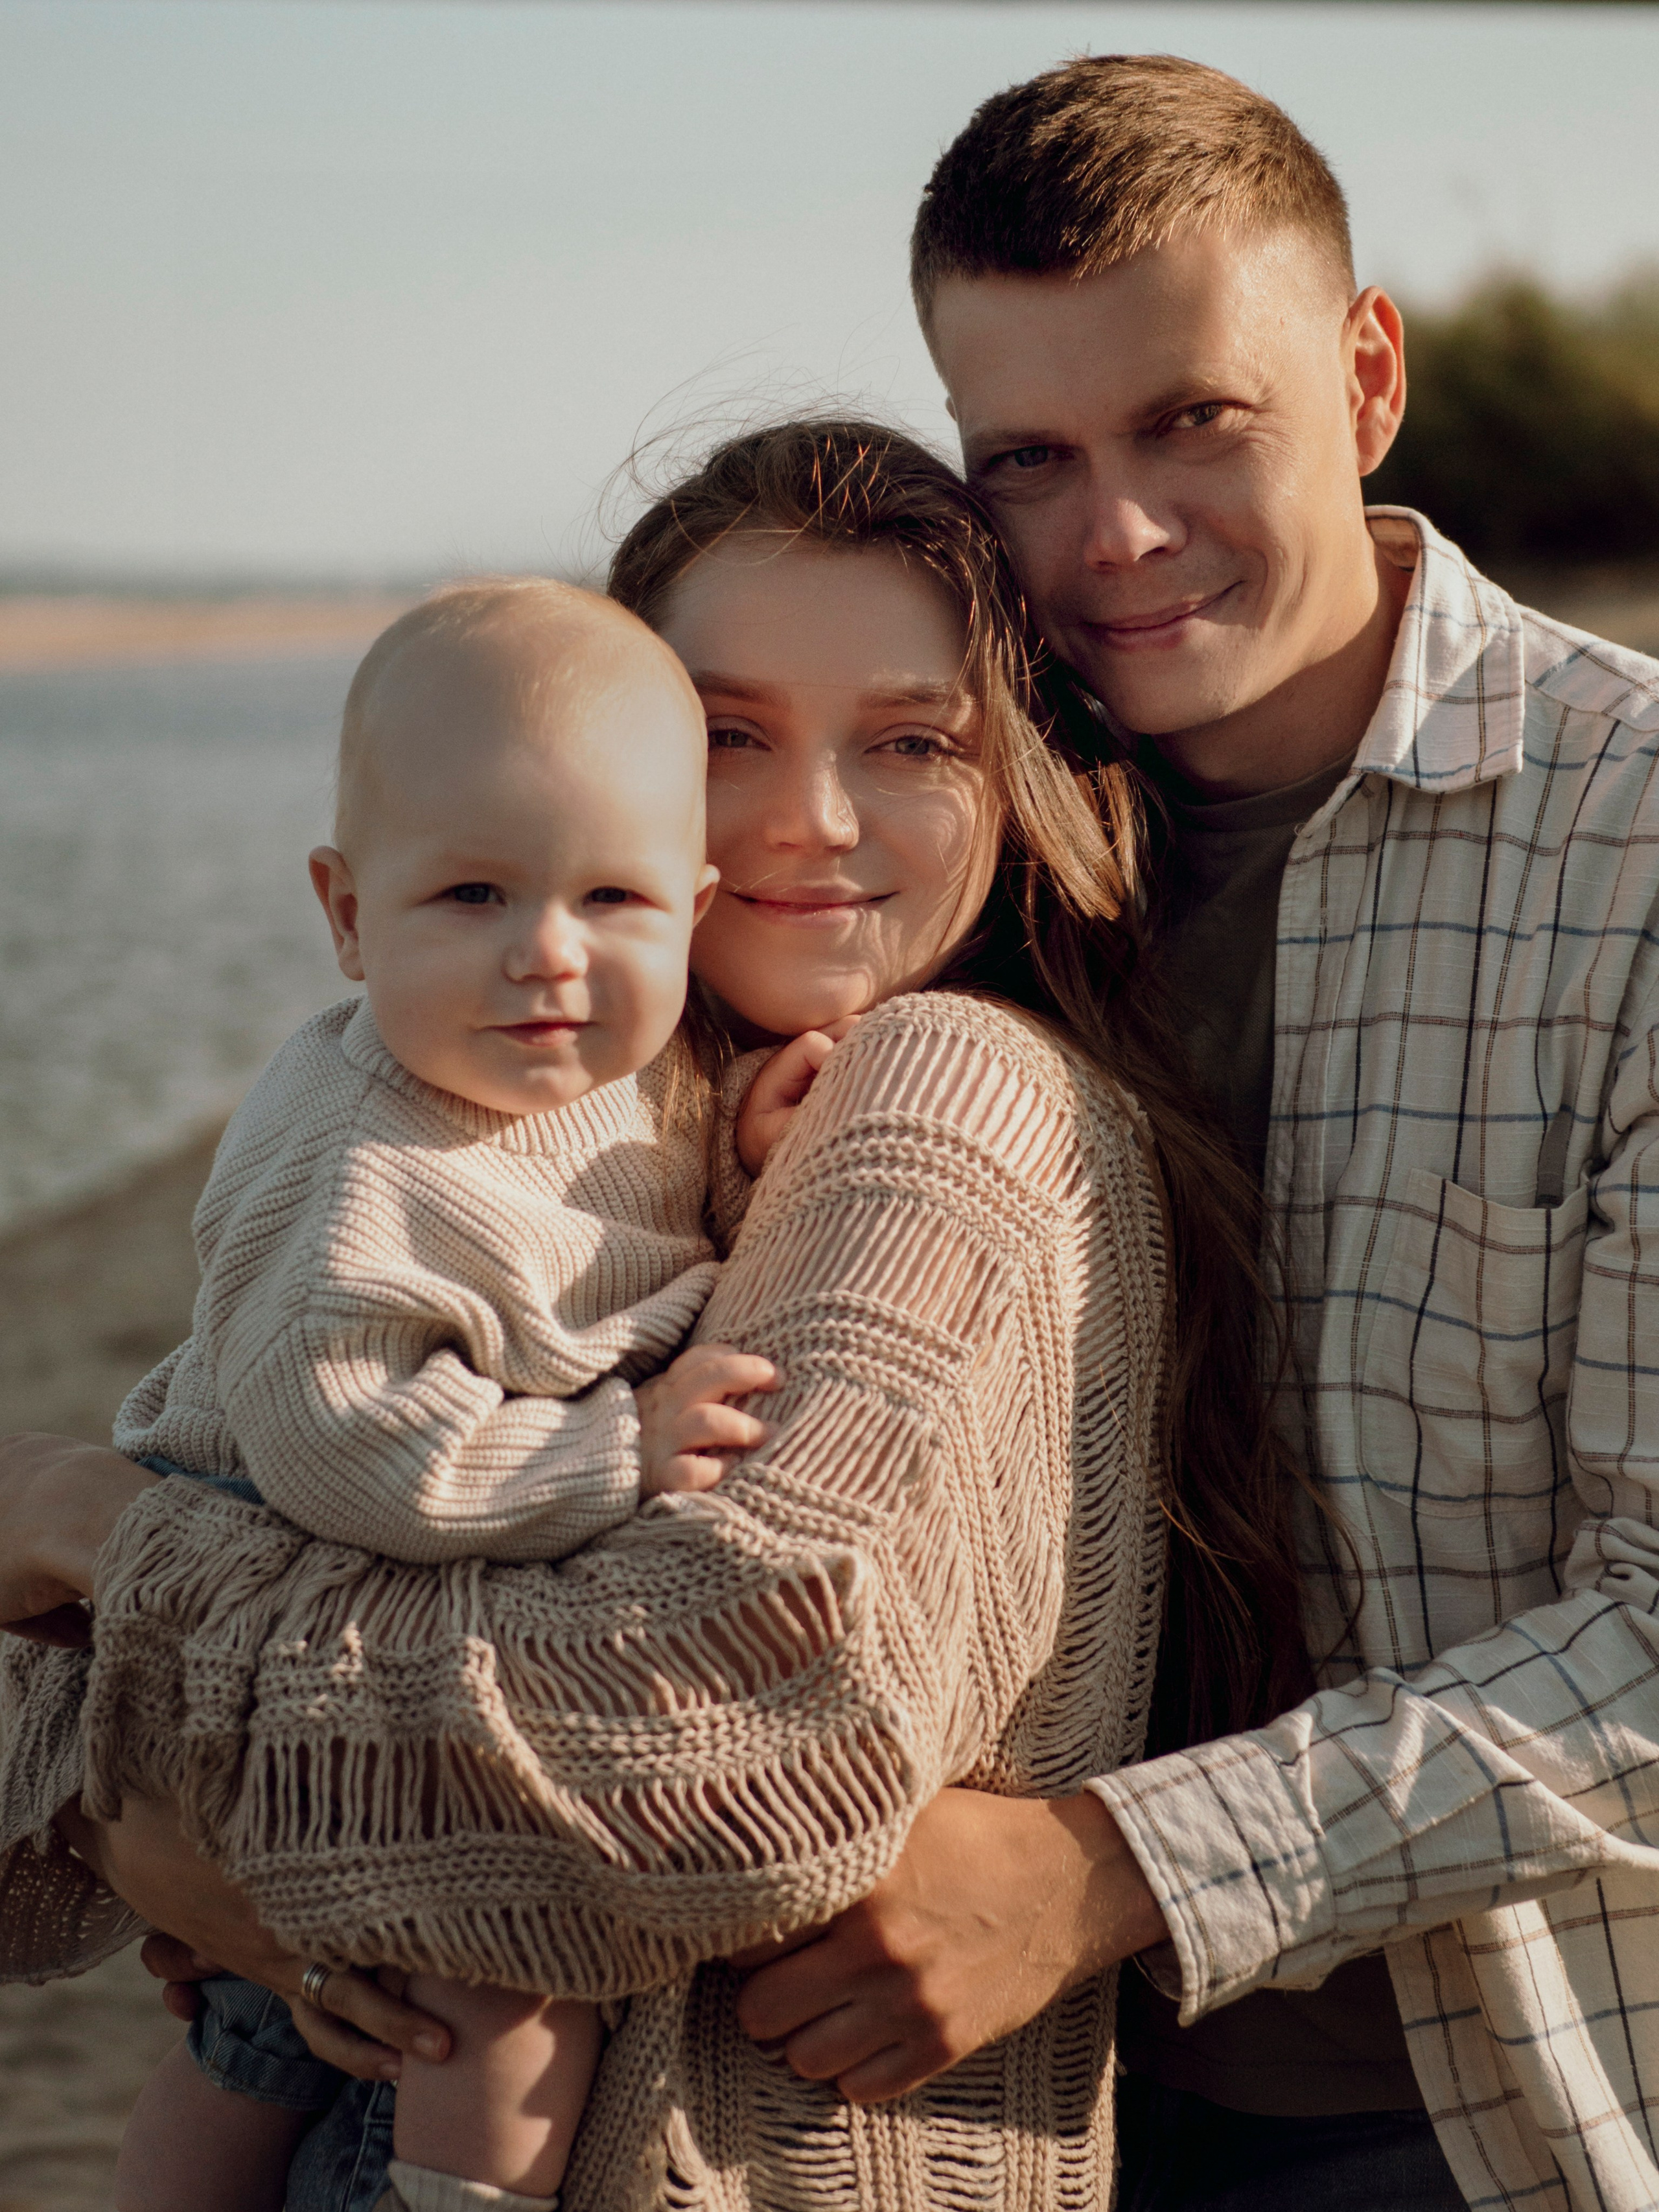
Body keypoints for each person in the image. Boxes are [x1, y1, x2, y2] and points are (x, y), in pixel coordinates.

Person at [0, 421, 1300, 2211]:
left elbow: (722, 1724)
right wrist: (285, 1871)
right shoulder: (588, 1121)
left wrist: (106, 1541)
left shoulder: (946, 1081)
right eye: (727, 735)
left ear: (1014, 779)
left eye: (912, 739)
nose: (805, 819)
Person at [721, 56, 1659, 2212]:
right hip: (936, 2103)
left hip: (1467, 2104)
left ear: (1365, 375)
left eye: (1191, 423)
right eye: (1028, 458)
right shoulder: (939, 826)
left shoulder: (1634, 845)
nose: (1113, 535)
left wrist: (1101, 1872)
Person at [1, 576, 832, 2212]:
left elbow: (615, 1214)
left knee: (254, 2031)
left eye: (615, 898)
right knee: (498, 1980)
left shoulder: (605, 1063)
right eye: (469, 893)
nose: (547, 954)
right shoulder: (356, 1163)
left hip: (407, 1547)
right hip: (285, 1559)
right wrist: (613, 1449)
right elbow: (343, 1442)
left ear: (696, 902)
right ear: (345, 913)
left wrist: (736, 1153)